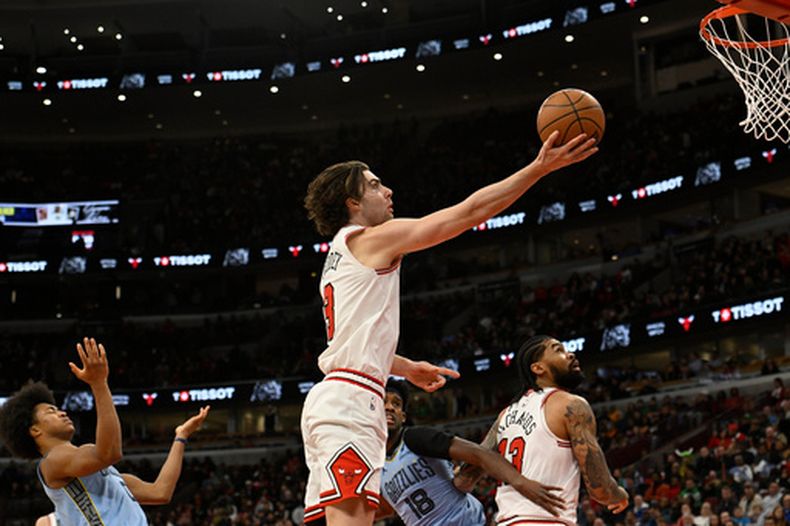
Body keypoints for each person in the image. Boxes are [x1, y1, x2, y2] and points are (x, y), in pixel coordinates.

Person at [301, 132, 598, 525]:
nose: (387, 190)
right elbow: (466, 214)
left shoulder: (339, 255)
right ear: (352, 203)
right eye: (374, 185)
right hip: (351, 402)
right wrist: (538, 169)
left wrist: (406, 368)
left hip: (338, 398)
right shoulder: (369, 239)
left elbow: (350, 343)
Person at [0, 337, 210, 525]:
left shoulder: (108, 477)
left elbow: (160, 492)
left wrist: (180, 436)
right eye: (51, 411)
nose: (62, 413)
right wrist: (99, 384)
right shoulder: (53, 461)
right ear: (35, 430)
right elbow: (109, 452)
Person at [476, 335, 629, 525]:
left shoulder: (504, 416)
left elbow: (467, 473)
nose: (570, 354)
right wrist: (619, 494)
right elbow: (600, 488)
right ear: (538, 368)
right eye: (559, 350)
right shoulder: (571, 405)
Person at [376, 379, 565, 525]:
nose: (389, 407)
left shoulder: (414, 438)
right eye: (384, 402)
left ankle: (519, 413)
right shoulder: (375, 464)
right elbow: (387, 509)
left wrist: (520, 482)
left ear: (403, 416)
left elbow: (478, 454)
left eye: (397, 404)